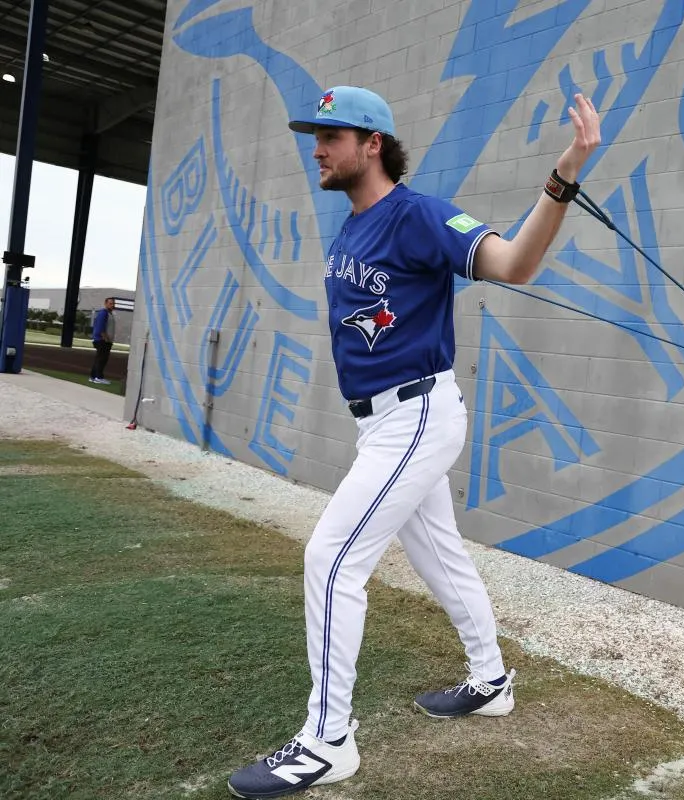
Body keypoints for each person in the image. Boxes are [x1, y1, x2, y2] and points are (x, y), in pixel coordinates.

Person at [226, 86, 600, 799]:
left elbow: (516, 264)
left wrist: (565, 174)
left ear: (373, 144)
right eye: (316, 134)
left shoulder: (420, 214)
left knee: (332, 559)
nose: (317, 147)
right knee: (441, 556)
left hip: (418, 414)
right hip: (382, 423)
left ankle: (328, 742)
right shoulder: (353, 226)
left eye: (331, 136)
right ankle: (490, 681)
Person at [89, 297, 116, 384]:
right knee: (102, 359)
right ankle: (98, 377)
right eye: (110, 303)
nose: (112, 305)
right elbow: (101, 328)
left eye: (113, 303)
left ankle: (93, 377)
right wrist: (106, 339)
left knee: (99, 359)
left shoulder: (110, 313)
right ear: (105, 303)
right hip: (102, 340)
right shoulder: (103, 313)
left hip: (105, 341)